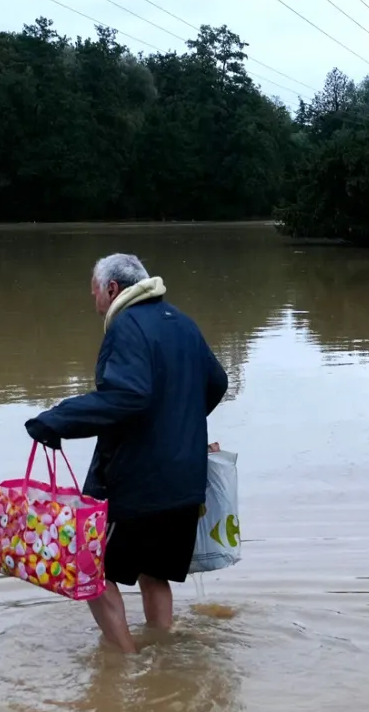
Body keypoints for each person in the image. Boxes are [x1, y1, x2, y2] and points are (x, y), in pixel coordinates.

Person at [26, 253, 228, 654]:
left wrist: (57, 420)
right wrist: (178, 428)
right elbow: (217, 381)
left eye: (95, 294)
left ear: (113, 290)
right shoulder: (182, 323)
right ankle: (165, 658)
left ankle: (125, 661)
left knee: (89, 568)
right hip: (187, 483)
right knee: (155, 572)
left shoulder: (127, 327)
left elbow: (127, 396)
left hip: (139, 485)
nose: (95, 303)